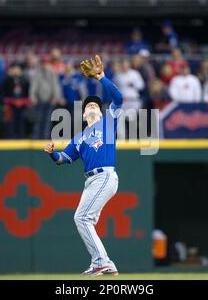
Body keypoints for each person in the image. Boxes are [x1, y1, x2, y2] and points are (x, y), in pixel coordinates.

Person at [44, 55, 122, 276]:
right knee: (86, 220)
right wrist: (51, 154)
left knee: (81, 218)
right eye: (88, 105)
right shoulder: (79, 137)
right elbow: (63, 159)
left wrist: (102, 78)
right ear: (84, 112)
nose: (92, 106)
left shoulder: (108, 122)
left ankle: (100, 262)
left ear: (100, 109)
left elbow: (119, 98)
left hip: (105, 176)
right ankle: (107, 263)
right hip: (91, 180)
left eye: (95, 104)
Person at [31, 55, 64, 139]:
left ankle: (45, 139)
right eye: (42, 63)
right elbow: (33, 86)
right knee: (38, 120)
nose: (44, 65)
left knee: (47, 121)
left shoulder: (51, 72)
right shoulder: (37, 72)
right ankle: (36, 138)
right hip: (39, 100)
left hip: (49, 100)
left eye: (45, 63)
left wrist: (55, 97)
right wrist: (33, 97)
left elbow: (55, 85)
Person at [114, 59, 145, 139]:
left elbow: (141, 85)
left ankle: (132, 140)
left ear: (129, 65)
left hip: (133, 101)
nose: (125, 67)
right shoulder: (118, 75)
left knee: (132, 121)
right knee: (120, 120)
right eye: (123, 65)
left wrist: (133, 84)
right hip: (122, 102)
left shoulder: (135, 74)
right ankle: (122, 139)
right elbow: (114, 87)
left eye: (126, 65)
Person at [2, 63, 30, 139]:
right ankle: (11, 138)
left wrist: (24, 102)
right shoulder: (8, 80)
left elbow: (27, 93)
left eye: (17, 69)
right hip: (11, 105)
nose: (16, 71)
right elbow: (5, 93)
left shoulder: (25, 80)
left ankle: (22, 137)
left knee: (21, 122)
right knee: (11, 122)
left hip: (22, 105)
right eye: (14, 69)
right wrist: (9, 102)